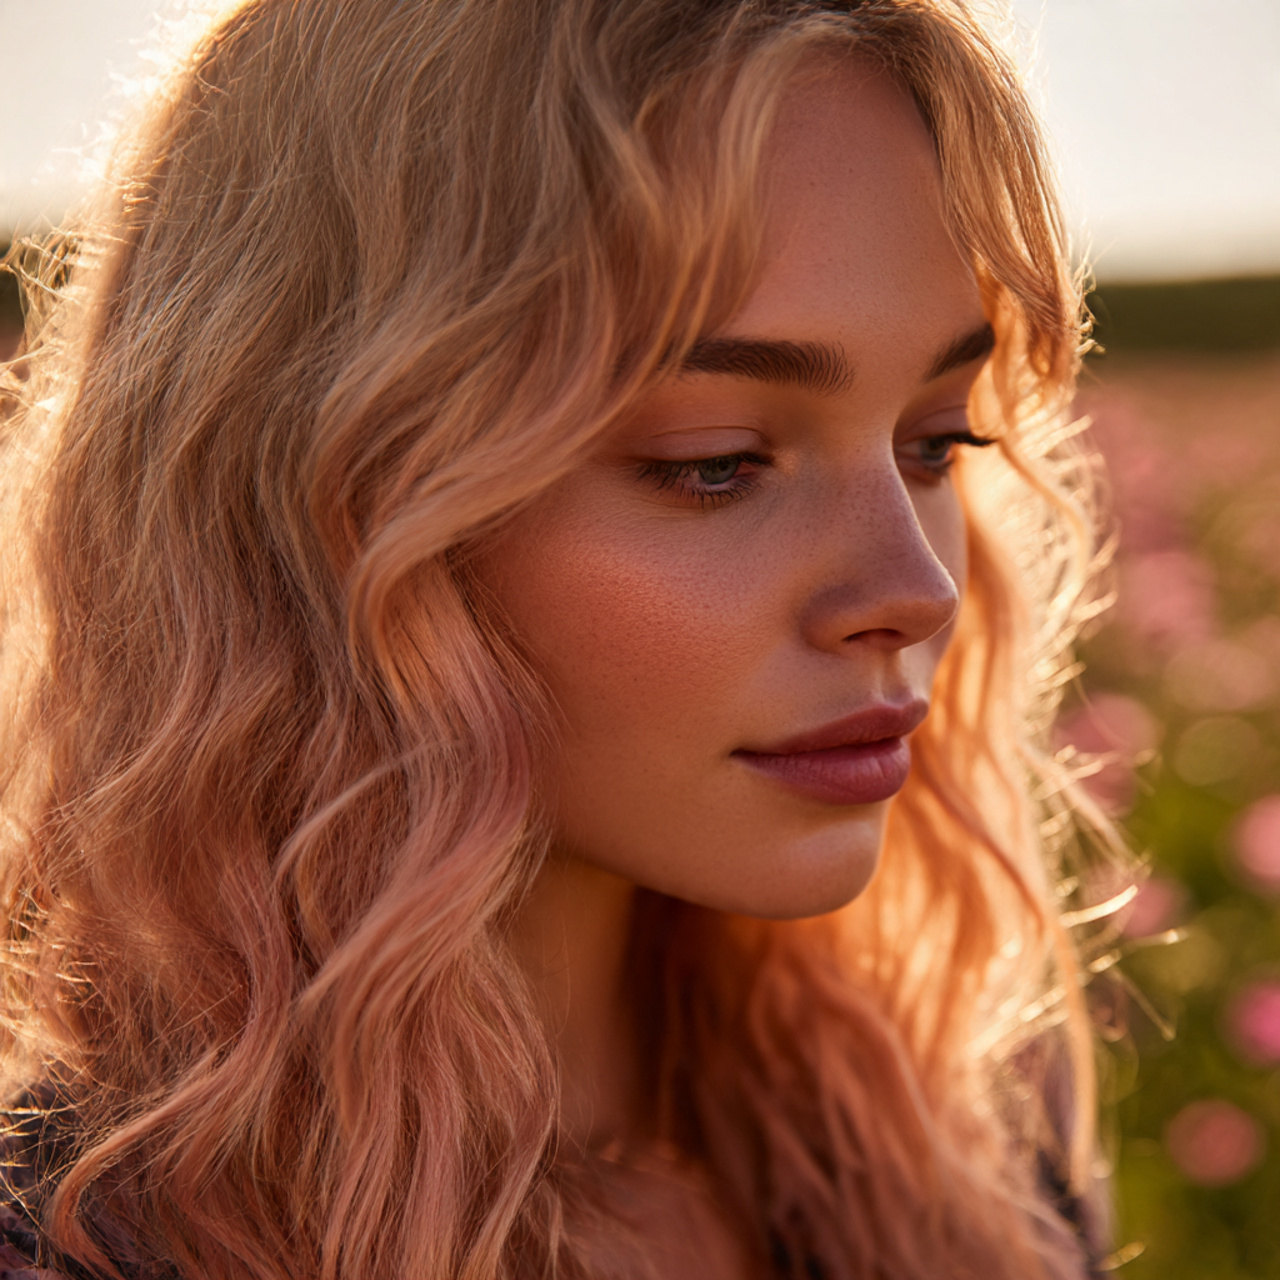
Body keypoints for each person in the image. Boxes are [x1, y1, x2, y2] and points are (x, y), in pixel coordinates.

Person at [0, 0, 1125, 1276]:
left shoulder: (971, 1167)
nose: (912, 587)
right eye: (713, 464)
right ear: (313, 512)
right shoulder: (87, 1240)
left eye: (935, 440)